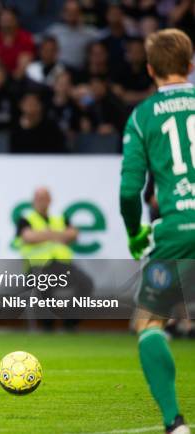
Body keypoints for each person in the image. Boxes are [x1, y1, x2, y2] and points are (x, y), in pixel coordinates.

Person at [120, 28, 194, 434]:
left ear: (150, 70)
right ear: (190, 65)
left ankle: (174, 423)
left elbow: (130, 191)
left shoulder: (143, 116)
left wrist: (135, 232)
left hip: (176, 231)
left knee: (150, 323)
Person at [13, 187, 93, 331]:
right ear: (33, 201)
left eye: (44, 198)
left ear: (50, 200)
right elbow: (28, 237)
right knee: (44, 286)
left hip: (62, 265)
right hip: (37, 267)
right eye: (39, 198)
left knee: (86, 283)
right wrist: (59, 235)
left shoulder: (60, 219)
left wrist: (45, 235)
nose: (42, 202)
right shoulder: (25, 220)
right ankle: (47, 327)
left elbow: (73, 234)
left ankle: (70, 322)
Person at [45, 0, 99, 71]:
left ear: (80, 13)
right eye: (68, 11)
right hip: (58, 70)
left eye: (75, 11)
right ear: (63, 13)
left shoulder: (90, 33)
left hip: (80, 70)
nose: (71, 14)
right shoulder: (55, 31)